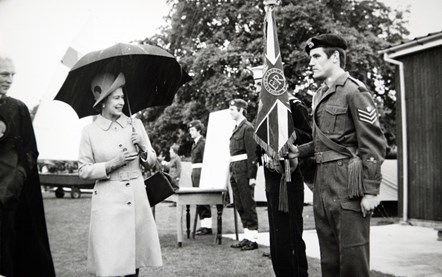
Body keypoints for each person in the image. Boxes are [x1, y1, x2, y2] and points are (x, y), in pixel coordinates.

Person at [289, 34, 387, 277]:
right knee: (329, 262)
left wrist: (372, 190)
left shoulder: (355, 92)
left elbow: (373, 143)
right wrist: (298, 151)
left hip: (347, 184)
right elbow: (325, 142)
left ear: (334, 57)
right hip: (323, 185)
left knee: (353, 262)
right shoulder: (319, 95)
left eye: (316, 56)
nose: (310, 62)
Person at [78, 72, 162, 277]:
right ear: (103, 101)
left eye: (123, 97)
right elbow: (83, 170)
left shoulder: (136, 125)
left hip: (136, 200)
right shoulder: (90, 131)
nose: (122, 102)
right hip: (107, 203)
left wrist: (143, 146)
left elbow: (152, 162)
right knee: (110, 263)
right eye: (116, 97)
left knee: (133, 261)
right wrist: (110, 165)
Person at [0, 55, 55, 276]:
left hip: (8, 199)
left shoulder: (17, 109)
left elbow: (29, 151)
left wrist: (12, 184)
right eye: (5, 74)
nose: (10, 79)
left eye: (13, 74)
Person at [228, 99, 259, 251]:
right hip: (235, 169)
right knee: (240, 204)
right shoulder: (236, 128)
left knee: (247, 203)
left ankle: (253, 239)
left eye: (233, 109)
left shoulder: (247, 128)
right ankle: (246, 236)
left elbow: (252, 154)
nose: (230, 111)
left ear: (241, 110)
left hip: (244, 170)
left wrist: (252, 176)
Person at [188, 120, 213, 235]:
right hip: (196, 172)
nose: (190, 132)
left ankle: (207, 226)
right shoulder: (195, 143)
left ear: (198, 130)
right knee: (199, 199)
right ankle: (203, 224)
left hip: (201, 172)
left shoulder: (203, 143)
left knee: (203, 199)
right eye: (190, 130)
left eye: (192, 130)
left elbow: (207, 160)